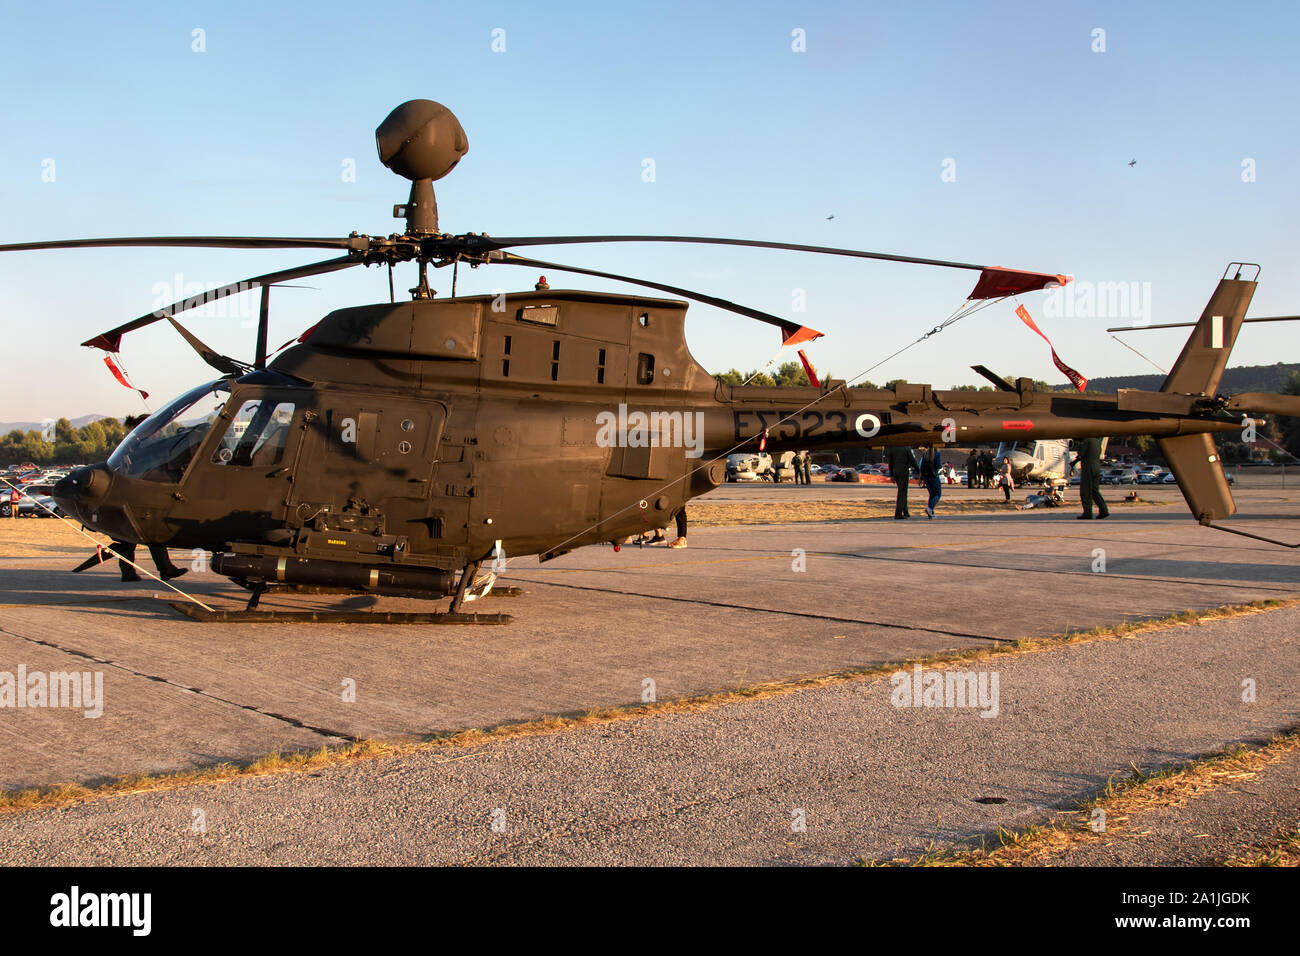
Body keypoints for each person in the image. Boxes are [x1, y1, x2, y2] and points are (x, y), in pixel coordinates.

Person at [1072, 436, 1110, 519]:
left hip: (1088, 466)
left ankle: (1087, 513)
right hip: (1096, 466)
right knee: (1094, 490)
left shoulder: (1086, 441)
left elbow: (1082, 453)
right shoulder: (1097, 441)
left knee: (1086, 490)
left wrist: (1079, 445)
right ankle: (1104, 510)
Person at [885, 445, 918, 519]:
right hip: (903, 471)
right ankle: (898, 513)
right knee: (902, 493)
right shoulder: (906, 448)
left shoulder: (892, 448)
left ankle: (905, 512)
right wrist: (919, 470)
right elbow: (912, 461)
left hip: (896, 472)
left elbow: (890, 462)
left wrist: (892, 475)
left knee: (902, 492)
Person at [919, 444, 943, 518]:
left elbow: (921, 466)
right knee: (937, 494)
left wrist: (921, 477)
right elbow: (938, 465)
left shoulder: (925, 454)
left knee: (931, 494)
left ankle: (931, 513)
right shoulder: (936, 454)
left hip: (926, 476)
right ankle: (930, 509)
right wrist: (943, 465)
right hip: (933, 475)